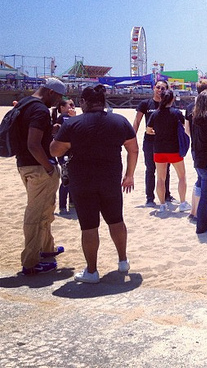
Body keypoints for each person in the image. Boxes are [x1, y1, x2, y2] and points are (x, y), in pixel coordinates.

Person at [50, 85, 138, 283]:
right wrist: (129, 175)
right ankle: (123, 261)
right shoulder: (119, 121)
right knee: (116, 220)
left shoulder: (73, 124)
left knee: (89, 226)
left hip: (83, 182)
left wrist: (57, 135)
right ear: (103, 101)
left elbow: (55, 151)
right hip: (111, 180)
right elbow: (133, 149)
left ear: (83, 102)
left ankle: (92, 271)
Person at [16, 78, 66, 275]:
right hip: (38, 167)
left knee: (46, 209)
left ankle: (46, 247)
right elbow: (33, 144)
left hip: (25, 164)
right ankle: (31, 262)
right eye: (58, 97)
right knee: (36, 214)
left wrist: (50, 131)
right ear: (50, 92)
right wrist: (48, 167)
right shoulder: (39, 110)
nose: (58, 101)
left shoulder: (24, 104)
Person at [147, 89, 191, 213]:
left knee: (160, 179)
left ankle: (162, 205)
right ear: (172, 99)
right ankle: (182, 203)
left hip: (159, 149)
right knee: (181, 176)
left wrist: (157, 132)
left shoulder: (155, 114)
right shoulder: (176, 113)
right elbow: (185, 127)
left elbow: (148, 130)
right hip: (174, 150)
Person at [133, 80, 174, 208]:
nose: (160, 90)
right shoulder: (145, 104)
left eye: (163, 88)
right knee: (150, 169)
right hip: (150, 142)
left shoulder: (169, 105)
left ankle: (166, 195)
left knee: (166, 170)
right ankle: (150, 198)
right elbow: (137, 121)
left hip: (165, 143)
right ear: (154, 88)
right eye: (158, 87)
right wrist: (131, 137)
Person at [185, 79, 207, 220]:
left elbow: (187, 130)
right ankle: (201, 215)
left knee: (199, 179)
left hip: (195, 147)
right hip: (206, 150)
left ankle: (194, 211)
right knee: (206, 182)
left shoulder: (190, 107)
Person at [190, 89, 207, 234]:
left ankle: (203, 223)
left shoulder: (196, 118)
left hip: (198, 159)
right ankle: (202, 225)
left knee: (205, 193)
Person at [51, 97, 76, 214]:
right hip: (65, 154)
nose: (72, 107)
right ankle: (62, 206)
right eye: (70, 105)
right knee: (66, 179)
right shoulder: (63, 118)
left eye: (73, 105)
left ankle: (71, 203)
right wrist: (74, 118)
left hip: (70, 153)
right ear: (62, 108)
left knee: (72, 179)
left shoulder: (67, 118)